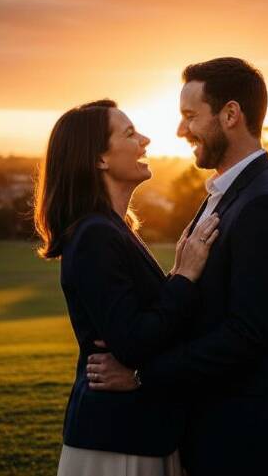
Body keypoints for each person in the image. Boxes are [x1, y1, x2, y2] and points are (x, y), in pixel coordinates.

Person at [87, 58, 268, 476]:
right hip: (212, 431)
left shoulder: (265, 205)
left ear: (230, 115)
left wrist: (141, 374)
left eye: (190, 117)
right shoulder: (225, 193)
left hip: (242, 441)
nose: (179, 130)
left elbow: (247, 335)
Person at [34, 98, 221, 476]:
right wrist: (184, 278)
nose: (146, 140)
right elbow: (133, 342)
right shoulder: (95, 236)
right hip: (118, 441)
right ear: (99, 159)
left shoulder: (113, 229)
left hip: (137, 432)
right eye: (130, 133)